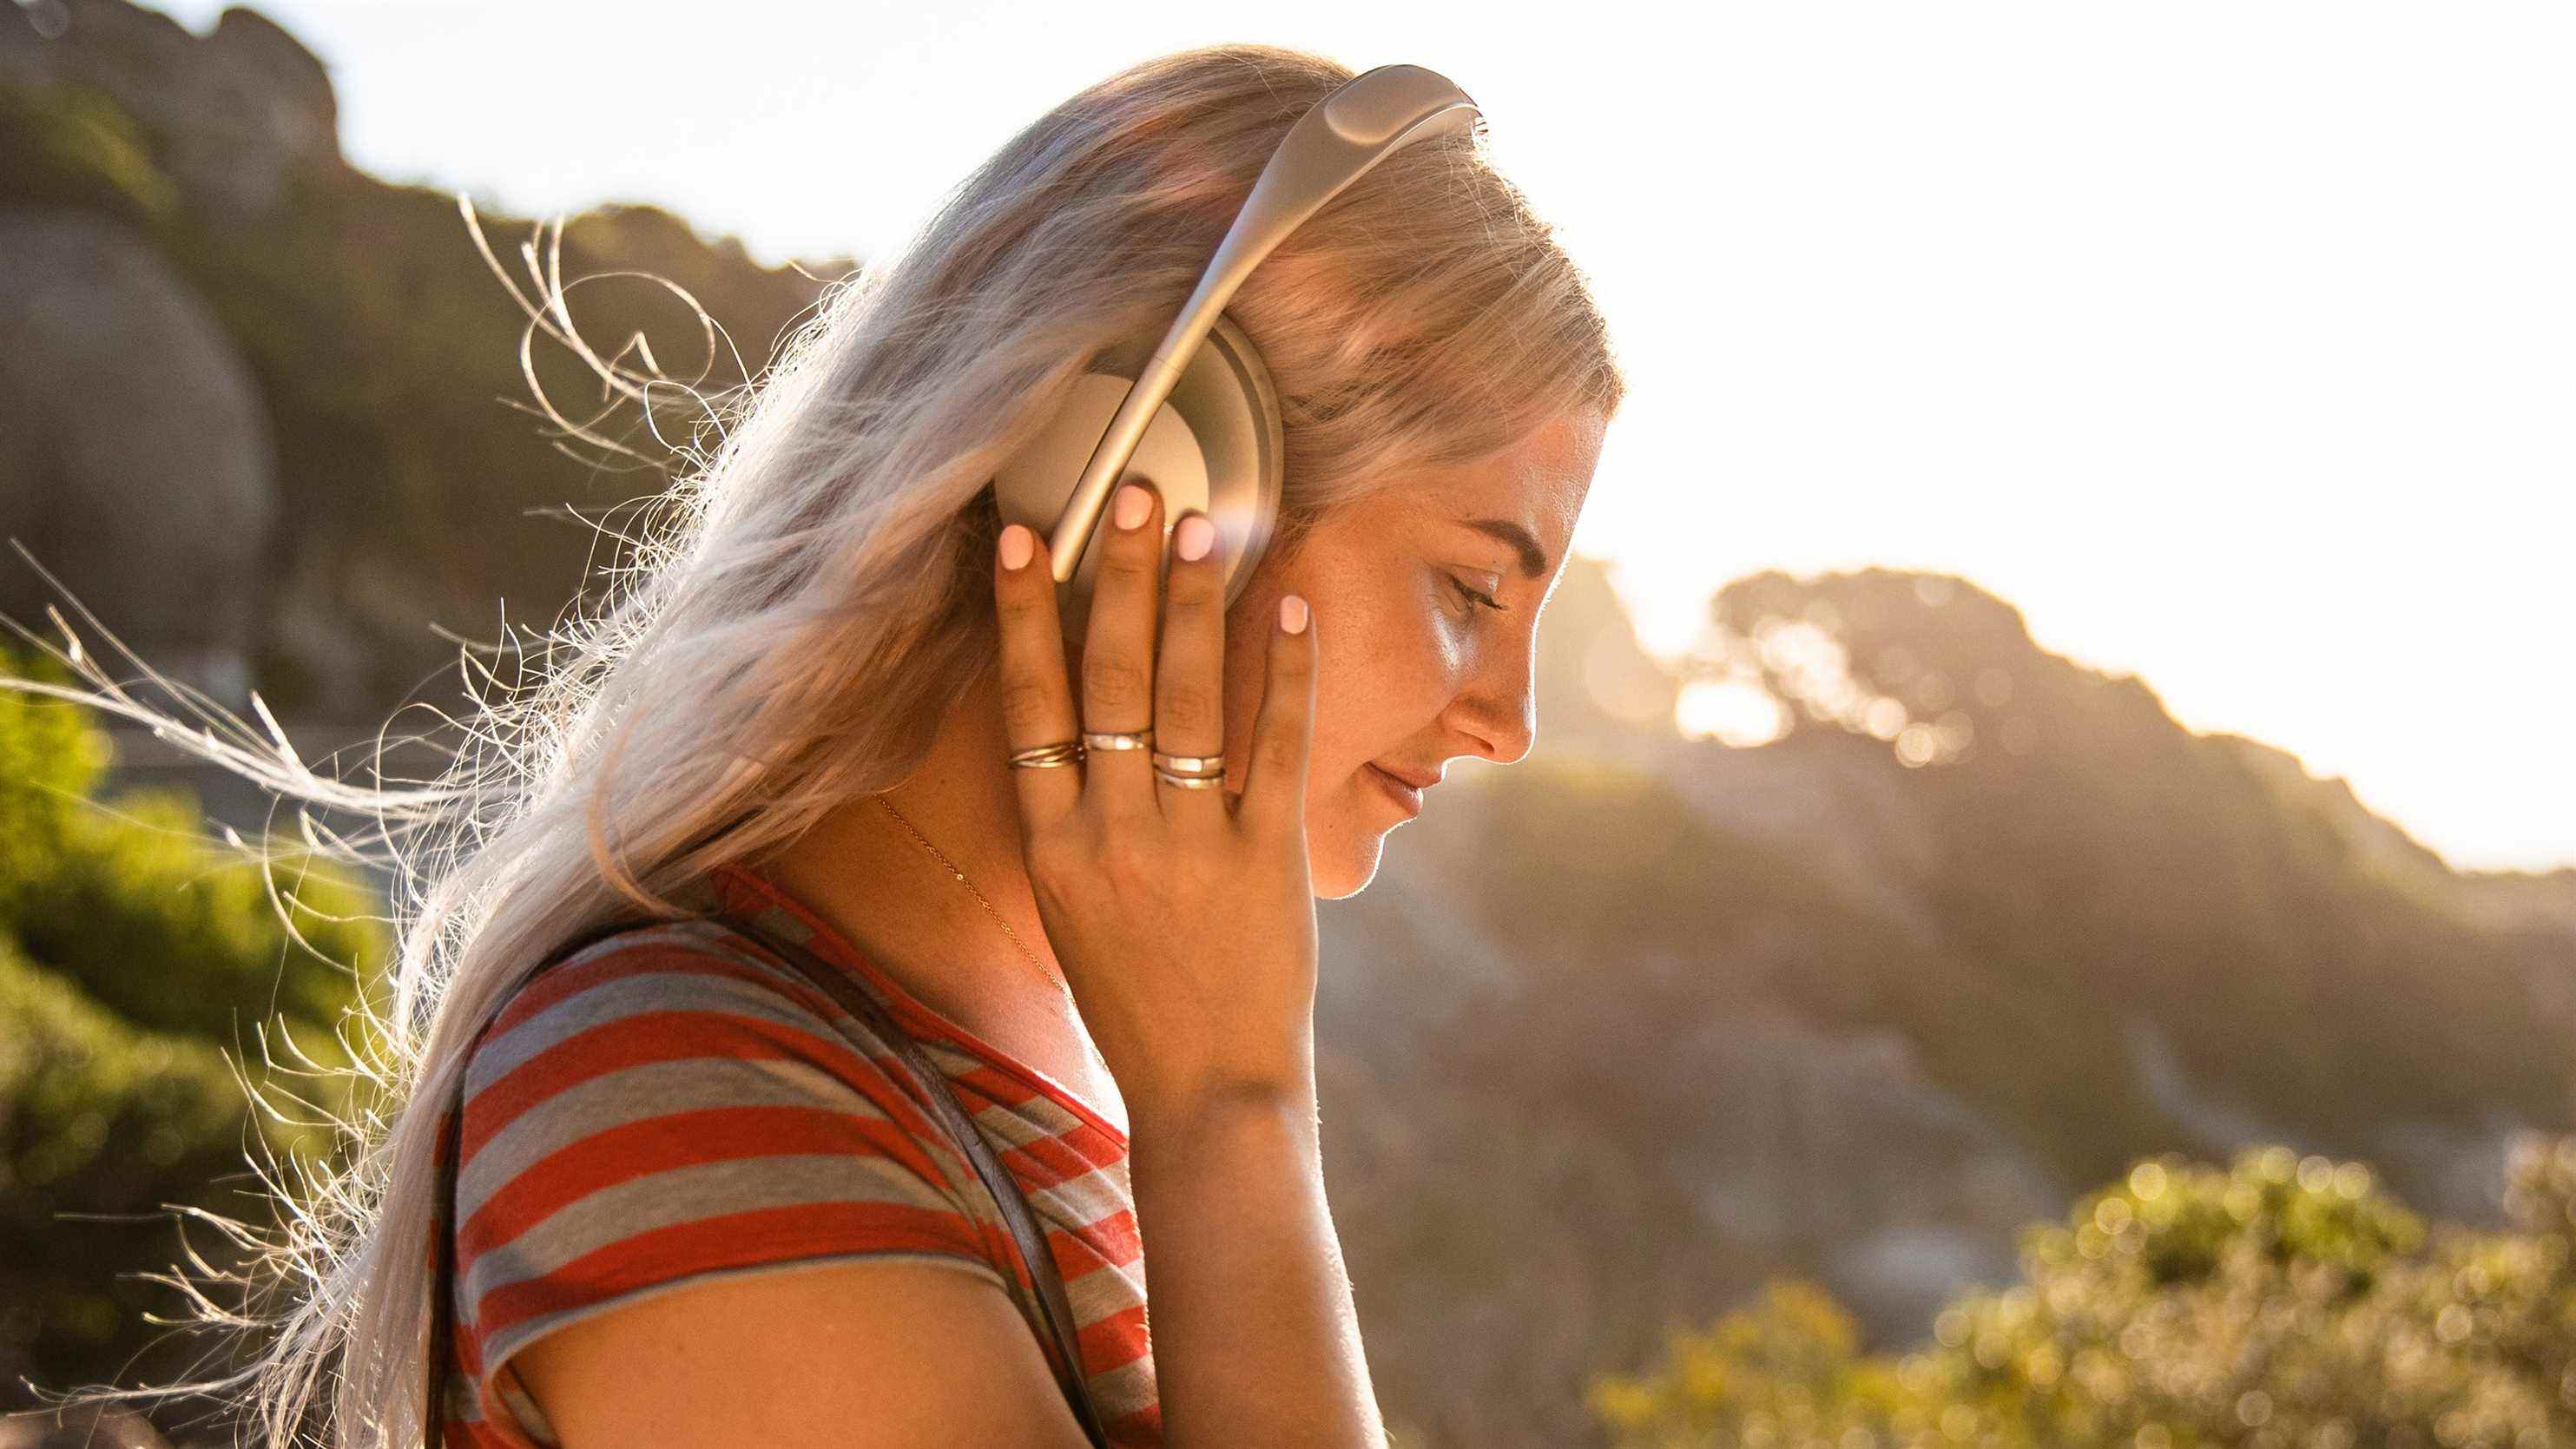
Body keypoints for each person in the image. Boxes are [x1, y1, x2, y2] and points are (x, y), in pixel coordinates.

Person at [21, 40, 1620, 1449]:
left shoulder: (1036, 1077)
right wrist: (1234, 1110)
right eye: (1473, 587)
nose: (1511, 721)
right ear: (1149, 481)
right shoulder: (681, 1096)